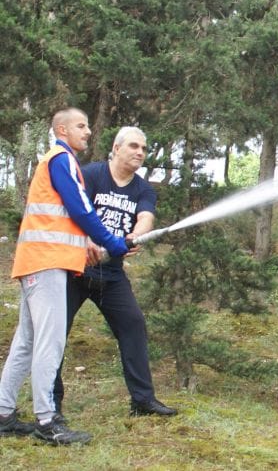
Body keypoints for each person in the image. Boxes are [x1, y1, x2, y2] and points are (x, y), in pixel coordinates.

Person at [0, 108, 130, 445]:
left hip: (37, 263)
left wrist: (90, 241)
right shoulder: (62, 158)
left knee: (27, 342)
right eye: (80, 125)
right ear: (62, 129)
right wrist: (111, 241)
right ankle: (47, 420)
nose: (87, 132)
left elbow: (67, 216)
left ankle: (3, 413)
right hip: (46, 264)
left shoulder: (57, 161)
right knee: (50, 340)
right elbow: (81, 208)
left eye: (87, 126)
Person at [53, 126, 176, 418]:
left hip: (111, 275)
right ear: (117, 147)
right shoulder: (92, 174)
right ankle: (51, 405)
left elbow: (145, 216)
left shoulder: (142, 188)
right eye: (134, 146)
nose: (140, 153)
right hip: (74, 270)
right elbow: (72, 211)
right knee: (56, 334)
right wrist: (85, 240)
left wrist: (136, 235)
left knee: (133, 325)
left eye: (144, 149)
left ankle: (142, 401)